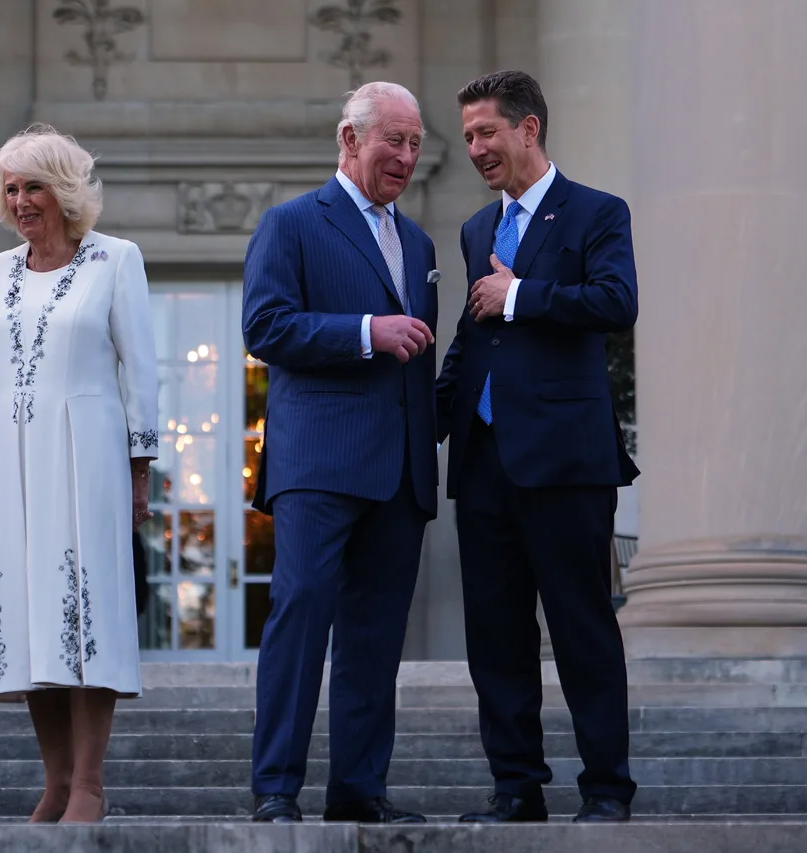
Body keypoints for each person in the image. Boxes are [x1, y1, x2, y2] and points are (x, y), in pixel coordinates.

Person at [436, 70, 640, 823]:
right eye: (468, 137)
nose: (476, 149)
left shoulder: (596, 212)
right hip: (485, 461)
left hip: (566, 461)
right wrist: (423, 421)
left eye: (486, 132)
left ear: (529, 129)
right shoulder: (476, 230)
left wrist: (519, 293)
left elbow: (617, 301)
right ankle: (516, 787)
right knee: (496, 637)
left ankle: (606, 789)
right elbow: (473, 336)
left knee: (582, 626)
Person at [242, 82, 439, 824]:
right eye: (395, 139)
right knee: (301, 617)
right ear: (350, 139)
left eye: (416, 143)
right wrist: (366, 332)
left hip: (402, 470)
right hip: (320, 463)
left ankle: (358, 789)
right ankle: (276, 788)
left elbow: (420, 359)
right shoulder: (292, 223)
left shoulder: (419, 244)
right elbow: (265, 326)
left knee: (375, 636)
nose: (407, 157)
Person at [0, 124, 159, 825]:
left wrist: (140, 470)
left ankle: (89, 786)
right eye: (11, 188)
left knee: (86, 613)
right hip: (11, 462)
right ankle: (55, 781)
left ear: (66, 190)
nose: (20, 200)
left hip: (88, 459)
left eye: (34, 186)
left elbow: (141, 371)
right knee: (29, 620)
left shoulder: (116, 259)